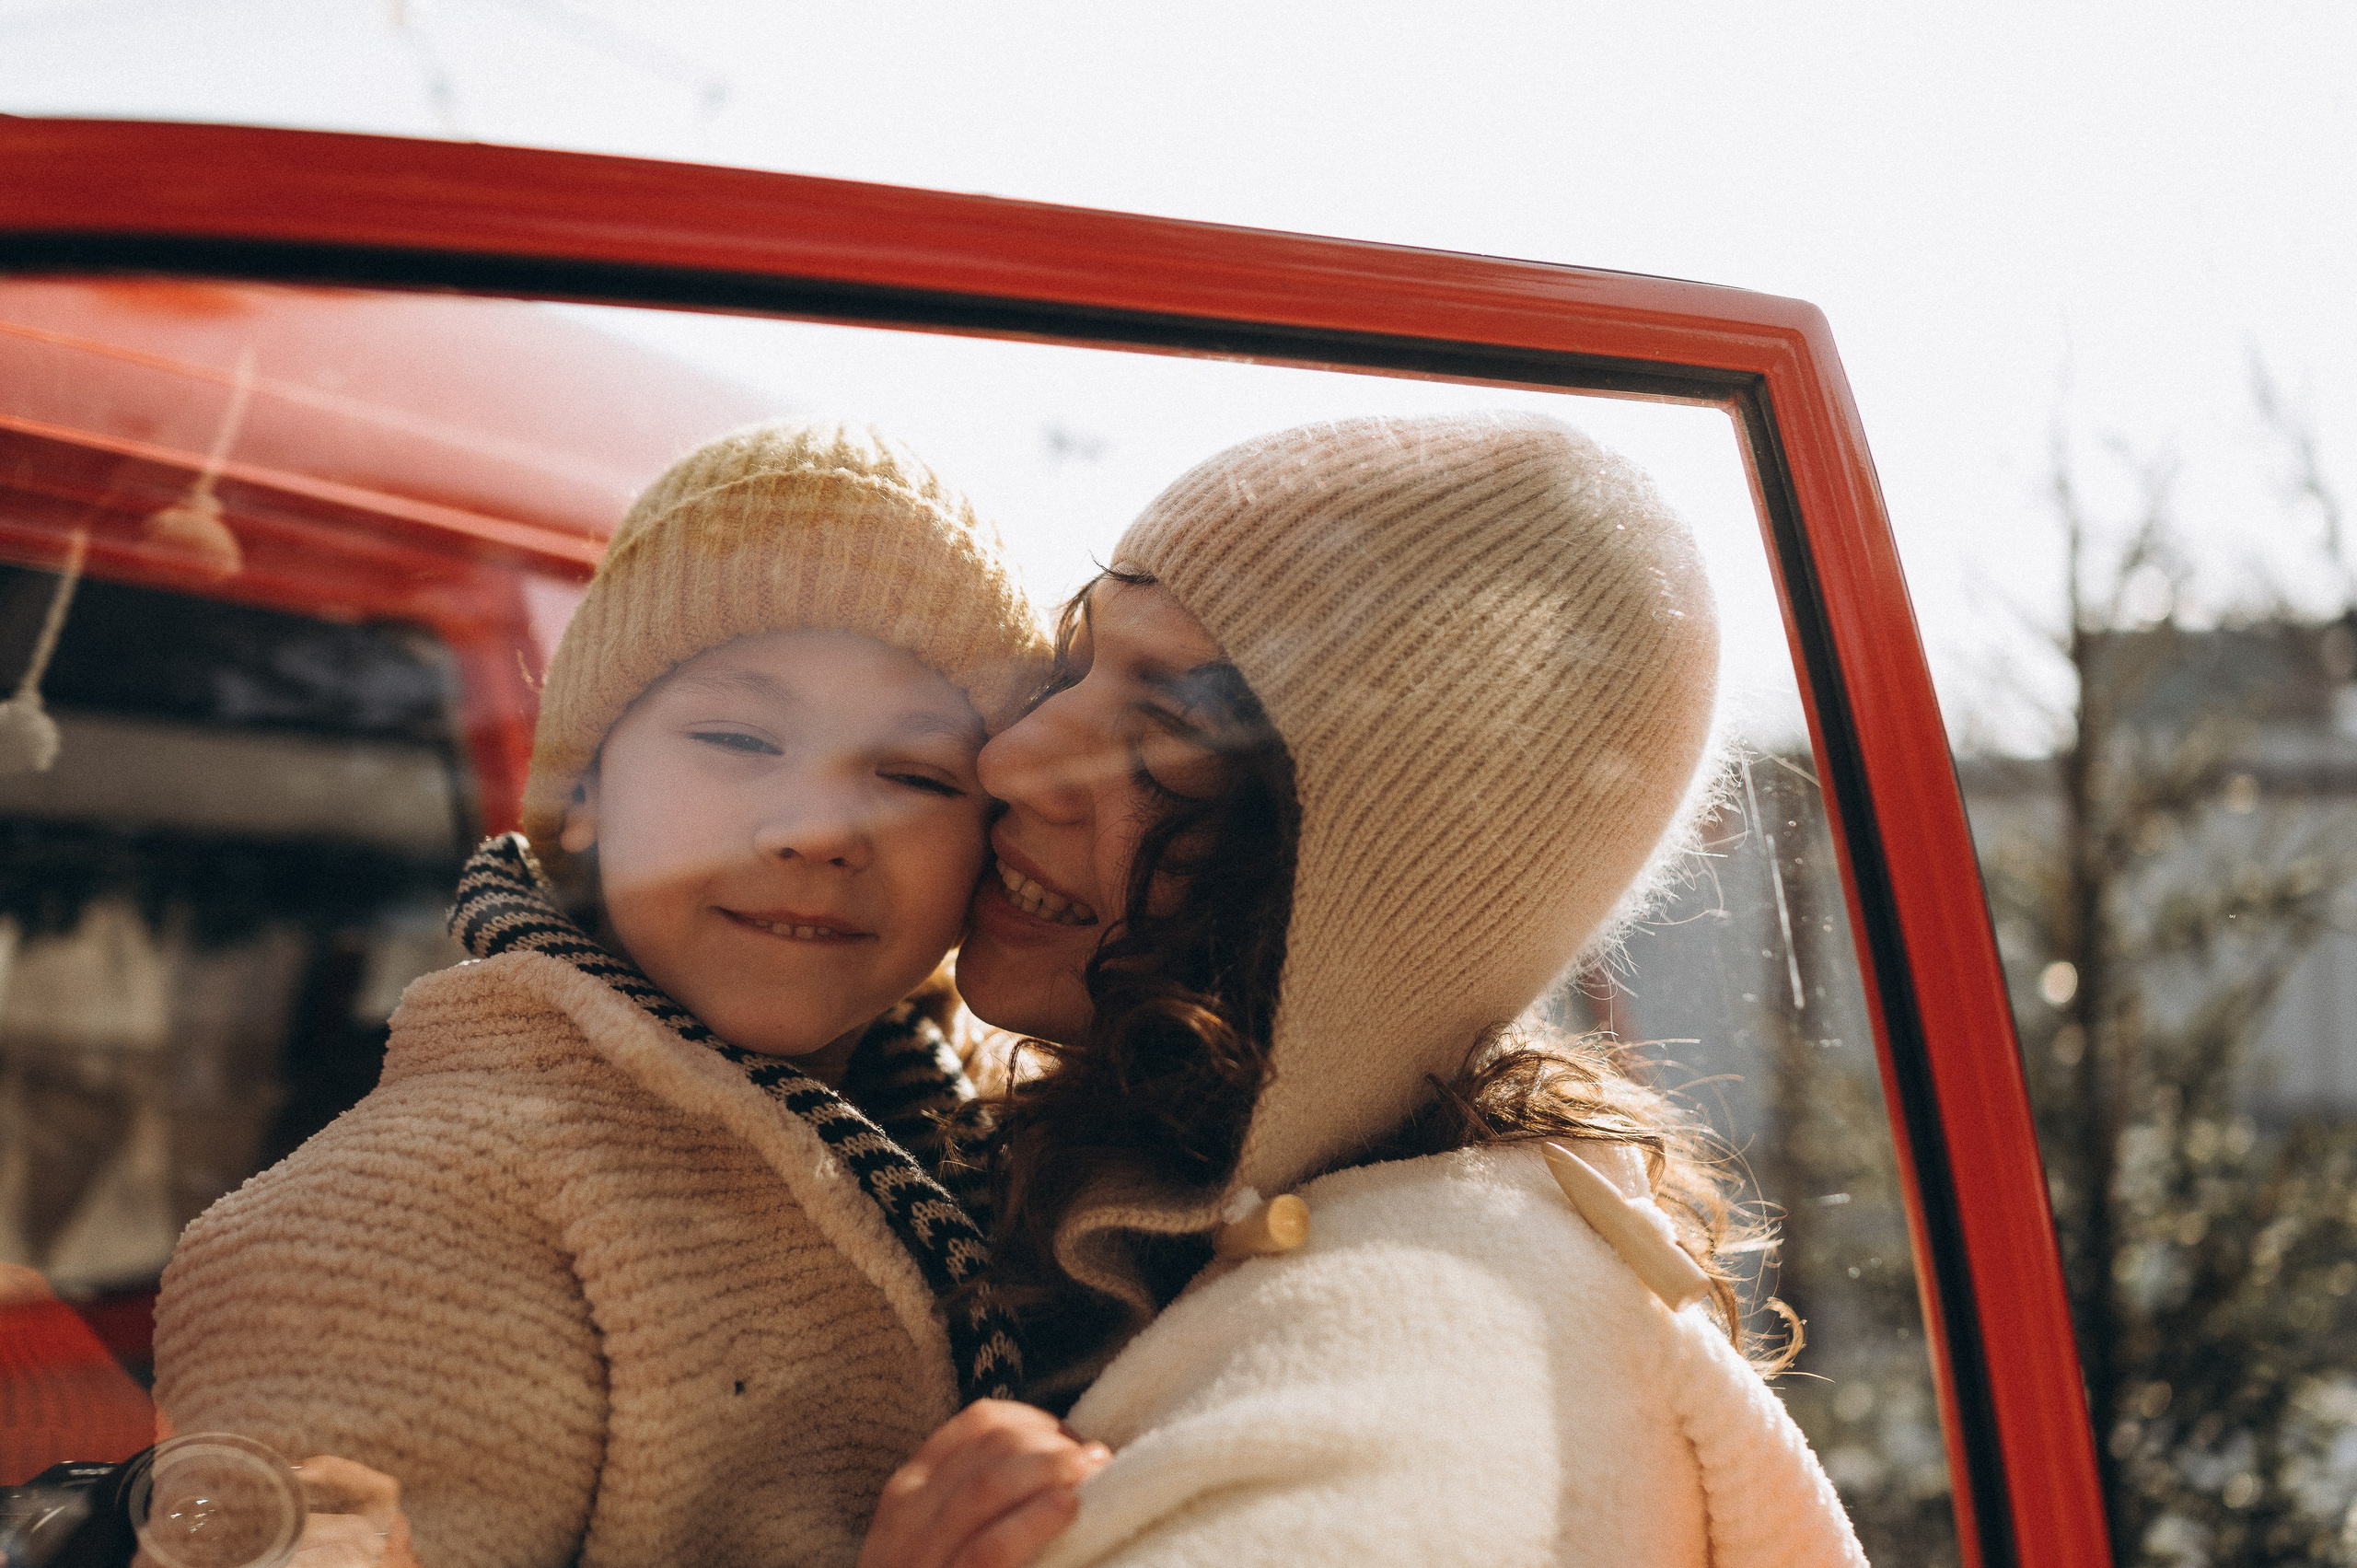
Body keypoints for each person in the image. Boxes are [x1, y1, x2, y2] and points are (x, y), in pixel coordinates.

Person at [862, 412, 1867, 1568]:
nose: (1013, 756)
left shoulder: (1423, 1362)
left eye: (1170, 727)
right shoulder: (1068, 1173)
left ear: (1380, 879)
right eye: (1075, 662)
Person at [153, 424, 1051, 1568]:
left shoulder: (983, 1144)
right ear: (581, 791)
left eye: (916, 773)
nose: (819, 828)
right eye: (737, 736)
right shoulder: (411, 1215)